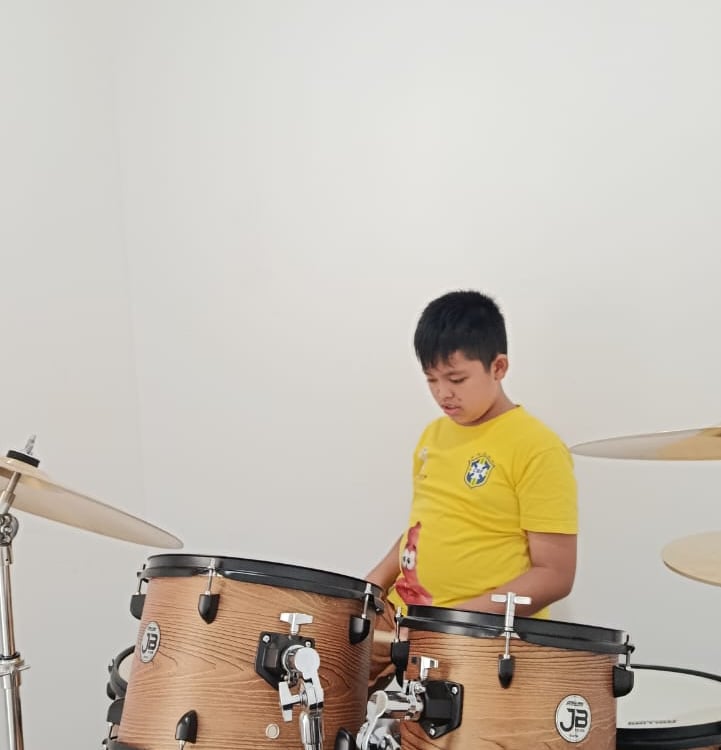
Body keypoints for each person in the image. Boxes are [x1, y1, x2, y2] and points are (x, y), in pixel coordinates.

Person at [365, 289, 578, 686]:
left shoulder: (537, 447)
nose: (442, 393)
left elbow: (555, 575)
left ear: (498, 367)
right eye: (431, 380)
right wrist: (369, 588)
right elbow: (422, 529)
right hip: (402, 618)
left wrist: (449, 623)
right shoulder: (433, 436)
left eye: (457, 379)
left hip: (476, 634)